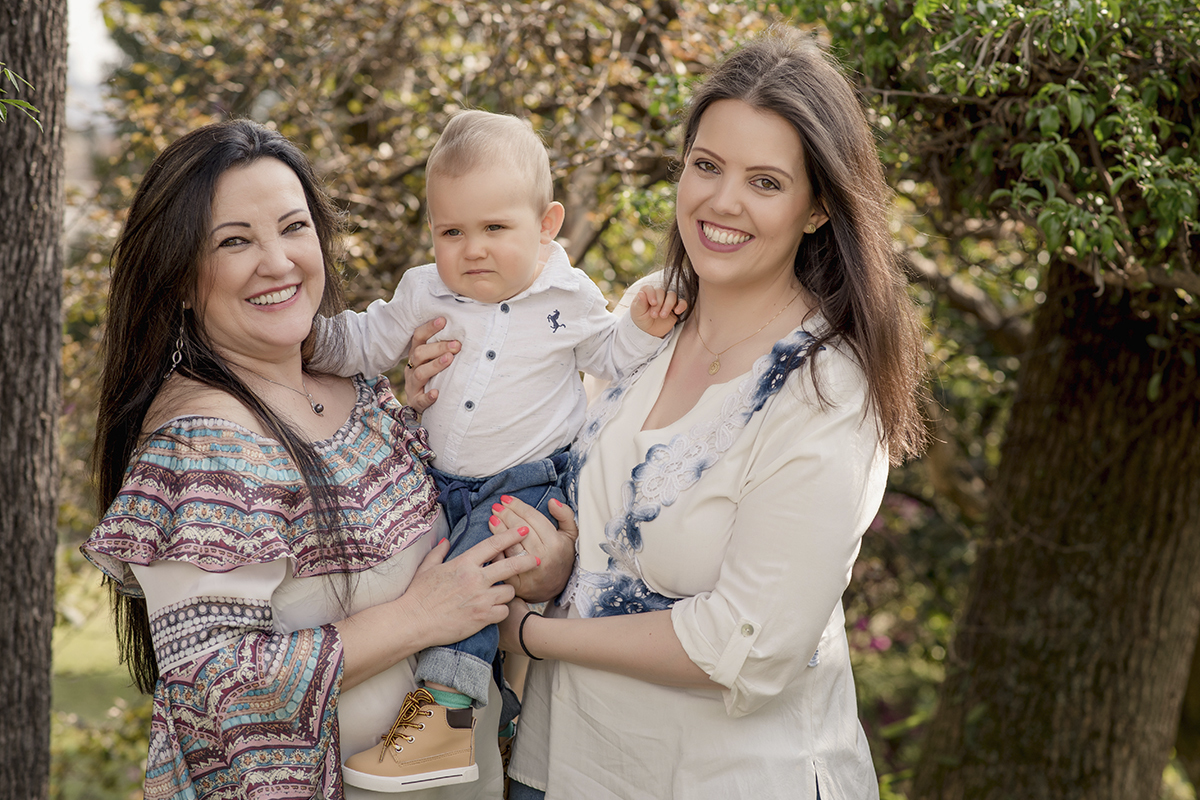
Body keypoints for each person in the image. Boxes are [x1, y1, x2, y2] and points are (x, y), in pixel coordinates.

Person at [408, 27, 928, 799]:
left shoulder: (827, 391)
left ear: (819, 207)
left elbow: (747, 645)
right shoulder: (646, 324)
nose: (722, 201)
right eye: (707, 166)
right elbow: (568, 504)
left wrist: (533, 634)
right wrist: (437, 401)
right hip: (557, 769)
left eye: (765, 181)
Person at [81, 119, 550, 800]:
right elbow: (212, 689)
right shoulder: (202, 445)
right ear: (178, 277)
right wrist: (420, 617)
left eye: (293, 227)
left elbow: (461, 561)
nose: (278, 262)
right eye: (235, 240)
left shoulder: (360, 392)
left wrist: (539, 552)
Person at [319, 110, 684, 790]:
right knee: (423, 582)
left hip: (525, 485)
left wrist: (641, 325)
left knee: (474, 576)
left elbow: (610, 355)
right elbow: (367, 340)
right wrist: (303, 341)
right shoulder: (425, 290)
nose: (472, 250)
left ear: (546, 225)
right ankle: (475, 718)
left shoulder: (567, 295)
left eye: (495, 228)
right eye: (451, 232)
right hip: (439, 483)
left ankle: (444, 720)